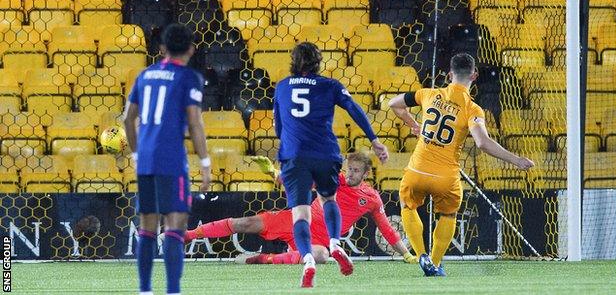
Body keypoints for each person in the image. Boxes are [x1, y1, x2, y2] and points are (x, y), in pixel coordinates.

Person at [388, 53, 534, 277]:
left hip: (417, 170)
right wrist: (517, 160)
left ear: (449, 74)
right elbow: (483, 143)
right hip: (446, 177)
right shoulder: (472, 109)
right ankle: (435, 264)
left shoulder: (428, 94)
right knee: (447, 216)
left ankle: (421, 256)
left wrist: (414, 124)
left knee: (408, 207)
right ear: (474, 76)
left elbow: (394, 104)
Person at [273, 42, 389, 287]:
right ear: (318, 62)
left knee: (300, 214)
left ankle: (308, 260)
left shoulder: (281, 87)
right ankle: (336, 243)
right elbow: (353, 108)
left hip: (294, 157)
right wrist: (375, 140)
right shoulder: (331, 85)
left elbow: (278, 128)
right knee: (328, 199)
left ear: (294, 62)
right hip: (325, 154)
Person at [185, 153, 418, 265]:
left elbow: (386, 229)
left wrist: (406, 253)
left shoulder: (372, 198)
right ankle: (187, 236)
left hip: (318, 239)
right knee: (243, 223)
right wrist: (275, 174)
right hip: (297, 220)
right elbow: (301, 180)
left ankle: (261, 259)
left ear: (366, 174)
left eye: (356, 171)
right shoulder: (334, 179)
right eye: (349, 169)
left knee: (322, 256)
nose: (350, 173)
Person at [124, 23, 212, 295]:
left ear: (162, 48)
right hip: (172, 160)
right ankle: (173, 290)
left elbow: (128, 118)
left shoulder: (145, 75)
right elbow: (195, 123)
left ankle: (145, 290)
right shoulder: (188, 78)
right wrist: (205, 164)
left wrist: (138, 153)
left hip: (147, 160)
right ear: (191, 49)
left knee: (147, 226)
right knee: (175, 225)